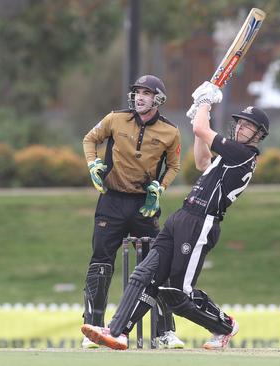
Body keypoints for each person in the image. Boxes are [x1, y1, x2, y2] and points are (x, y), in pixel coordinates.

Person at [80, 81, 270, 350]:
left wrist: (204, 104)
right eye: (240, 123)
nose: (241, 128)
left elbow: (202, 129)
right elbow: (203, 160)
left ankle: (224, 326)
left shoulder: (242, 154)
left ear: (258, 135)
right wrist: (198, 117)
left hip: (202, 223)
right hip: (182, 216)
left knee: (177, 292)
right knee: (144, 274)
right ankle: (117, 331)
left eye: (248, 126)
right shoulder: (227, 155)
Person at [81, 74, 185, 349]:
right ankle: (92, 326)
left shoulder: (170, 132)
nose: (139, 97)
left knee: (158, 266)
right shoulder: (115, 119)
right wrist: (92, 165)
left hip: (144, 207)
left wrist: (159, 189)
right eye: (137, 92)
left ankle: (165, 331)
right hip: (111, 201)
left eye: (146, 93)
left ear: (158, 99)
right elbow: (89, 140)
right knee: (101, 263)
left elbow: (174, 166)